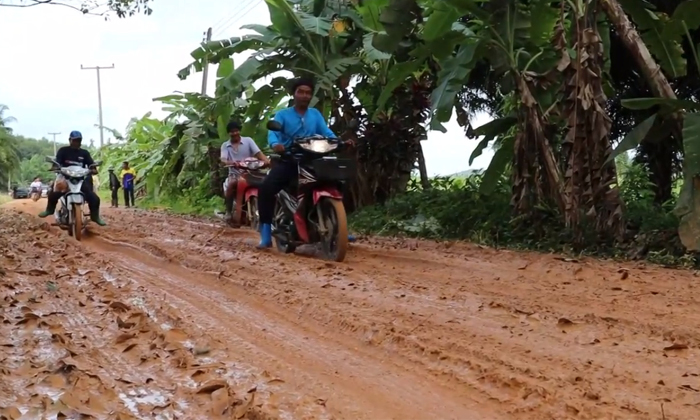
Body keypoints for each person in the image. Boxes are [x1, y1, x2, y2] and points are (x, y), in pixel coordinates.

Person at [257, 77, 356, 248]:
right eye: (301, 92)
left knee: (338, 181)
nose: (304, 95)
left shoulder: (315, 115)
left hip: (314, 158)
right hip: (290, 158)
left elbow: (326, 132)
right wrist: (276, 145)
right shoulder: (283, 115)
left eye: (308, 92)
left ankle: (340, 226)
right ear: (294, 94)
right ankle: (265, 232)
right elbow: (273, 133)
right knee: (266, 189)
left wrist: (339, 142)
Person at [38, 131, 105, 226]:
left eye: (78, 140)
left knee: (94, 198)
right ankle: (49, 210)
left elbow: (91, 163)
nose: (76, 142)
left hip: (80, 179)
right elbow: (57, 162)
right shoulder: (63, 151)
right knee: (53, 193)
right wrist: (55, 167)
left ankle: (95, 216)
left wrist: (93, 169)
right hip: (64, 178)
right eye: (74, 140)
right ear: (70, 140)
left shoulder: (84, 153)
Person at [220, 121, 269, 223]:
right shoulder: (225, 146)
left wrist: (267, 161)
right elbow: (223, 159)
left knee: (267, 183)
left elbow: (258, 153)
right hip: (235, 174)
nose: (235, 133)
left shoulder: (248, 141)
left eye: (236, 131)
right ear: (228, 133)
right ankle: (228, 212)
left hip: (251, 172)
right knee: (231, 184)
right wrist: (232, 162)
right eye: (232, 132)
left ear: (239, 131)